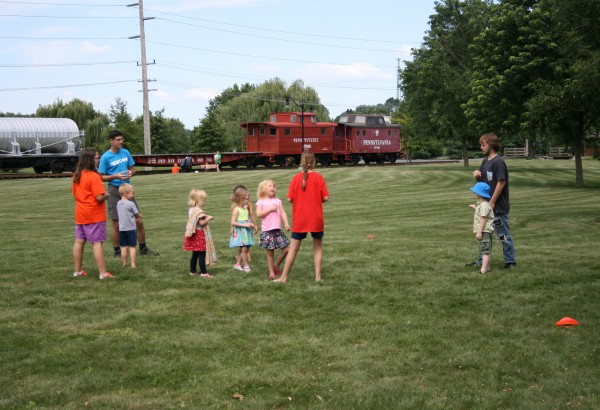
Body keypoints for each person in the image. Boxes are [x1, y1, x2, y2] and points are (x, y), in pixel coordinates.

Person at [98, 130, 159, 258]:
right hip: (114, 190)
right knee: (116, 222)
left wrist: (132, 173)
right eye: (118, 140)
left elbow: (132, 169)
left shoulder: (125, 152)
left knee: (138, 219)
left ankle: (143, 248)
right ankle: (117, 251)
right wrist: (115, 176)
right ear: (111, 141)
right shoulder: (105, 157)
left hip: (127, 189)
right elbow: (101, 177)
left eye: (122, 139)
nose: (121, 142)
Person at [275, 151, 329, 283]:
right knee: (317, 248)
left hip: (300, 218)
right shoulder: (319, 178)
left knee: (293, 249)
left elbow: (289, 199)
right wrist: (316, 201)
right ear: (314, 163)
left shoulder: (296, 178)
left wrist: (300, 201)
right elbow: (325, 197)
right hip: (316, 218)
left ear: (301, 162)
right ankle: (318, 277)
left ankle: (283, 277)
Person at [469, 133, 517, 269]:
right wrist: (477, 175)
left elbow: (501, 183)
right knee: (484, 235)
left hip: (497, 207)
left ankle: (510, 261)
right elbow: (483, 184)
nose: (481, 147)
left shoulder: (498, 162)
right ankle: (481, 261)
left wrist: (492, 202)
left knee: (502, 235)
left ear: (491, 145)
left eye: (483, 145)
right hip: (486, 206)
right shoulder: (485, 162)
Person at [71, 148, 113, 280]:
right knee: (97, 242)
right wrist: (106, 195)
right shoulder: (94, 177)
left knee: (79, 242)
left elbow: (75, 194)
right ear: (91, 160)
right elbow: (99, 197)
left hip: (80, 213)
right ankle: (103, 273)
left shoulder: (77, 175)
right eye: (97, 157)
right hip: (94, 214)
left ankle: (78, 271)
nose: (99, 159)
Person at [256, 179, 290, 280]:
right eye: (270, 186)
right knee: (270, 253)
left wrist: (286, 223)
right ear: (263, 189)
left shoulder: (278, 201)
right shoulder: (260, 202)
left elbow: (282, 212)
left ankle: (276, 265)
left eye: (274, 186)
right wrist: (270, 209)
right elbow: (259, 214)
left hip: (278, 231)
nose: (273, 188)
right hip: (267, 232)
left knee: (287, 249)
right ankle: (271, 272)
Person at [184, 189, 216, 278]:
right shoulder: (198, 211)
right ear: (199, 200)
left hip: (193, 235)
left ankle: (193, 271)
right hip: (199, 234)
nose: (205, 202)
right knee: (202, 253)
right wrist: (208, 218)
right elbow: (201, 223)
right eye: (204, 200)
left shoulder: (191, 209)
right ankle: (204, 273)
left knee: (195, 254)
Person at [469, 182, 494, 274]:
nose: (474, 193)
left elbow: (483, 218)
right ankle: (487, 268)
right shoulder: (482, 204)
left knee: (485, 251)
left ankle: (483, 270)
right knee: (486, 249)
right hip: (485, 231)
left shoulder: (484, 205)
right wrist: (475, 208)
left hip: (484, 231)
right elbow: (481, 213)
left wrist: (479, 232)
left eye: (475, 192)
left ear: (480, 194)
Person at [231, 185, 258, 268]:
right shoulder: (236, 210)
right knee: (244, 249)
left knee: (247, 248)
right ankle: (246, 265)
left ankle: (238, 264)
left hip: (246, 231)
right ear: (240, 199)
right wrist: (245, 225)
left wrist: (252, 225)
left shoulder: (245, 209)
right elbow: (233, 222)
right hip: (240, 232)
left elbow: (247, 220)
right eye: (247, 198)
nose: (249, 200)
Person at [117, 183, 141, 268]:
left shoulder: (118, 203)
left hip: (122, 229)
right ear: (126, 193)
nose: (133, 195)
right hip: (131, 228)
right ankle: (133, 264)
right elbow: (136, 214)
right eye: (132, 193)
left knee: (124, 247)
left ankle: (124, 263)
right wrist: (140, 216)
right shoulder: (131, 204)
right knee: (132, 247)